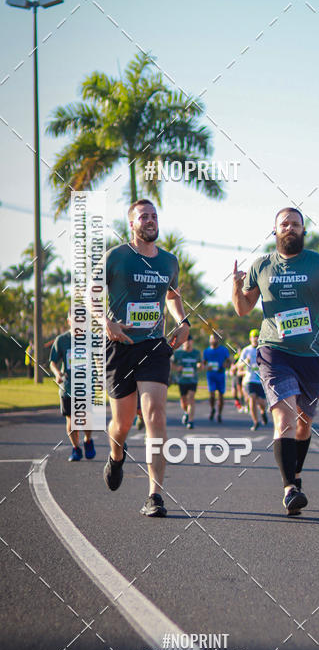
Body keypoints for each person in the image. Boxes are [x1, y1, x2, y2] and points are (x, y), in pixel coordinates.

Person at [232, 207, 319, 515]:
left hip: (313, 355)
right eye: (284, 224)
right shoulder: (262, 266)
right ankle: (290, 488)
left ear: (303, 231)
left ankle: (295, 474)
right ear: (275, 231)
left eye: (295, 224)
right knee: (284, 419)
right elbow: (244, 309)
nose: (290, 228)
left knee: (303, 423)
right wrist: (236, 286)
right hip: (275, 351)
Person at [100, 199, 190, 517]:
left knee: (155, 415)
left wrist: (182, 321)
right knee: (122, 423)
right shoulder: (116, 257)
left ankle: (155, 495)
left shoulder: (168, 261)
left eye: (154, 216)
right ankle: (117, 455)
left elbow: (172, 295)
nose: (150, 220)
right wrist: (105, 322)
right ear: (132, 224)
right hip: (120, 344)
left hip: (153, 345)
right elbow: (88, 294)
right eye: (144, 217)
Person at [49, 314, 96, 461]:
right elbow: (53, 362)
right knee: (71, 420)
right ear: (69, 320)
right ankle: (76, 448)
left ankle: (88, 440)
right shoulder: (62, 340)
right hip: (68, 387)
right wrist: (58, 374)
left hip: (87, 386)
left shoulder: (92, 338)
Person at [239, 329, 269, 430]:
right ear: (250, 338)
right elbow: (239, 365)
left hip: (260, 380)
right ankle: (255, 422)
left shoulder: (264, 349)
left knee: (261, 402)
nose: (255, 339)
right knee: (252, 398)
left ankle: (263, 412)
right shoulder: (246, 350)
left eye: (257, 336)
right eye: (254, 337)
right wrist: (245, 362)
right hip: (249, 379)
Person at [173, 334, 201, 428]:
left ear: (192, 342)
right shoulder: (178, 353)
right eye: (185, 341)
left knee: (191, 398)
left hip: (193, 380)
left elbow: (200, 363)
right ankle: (186, 412)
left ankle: (191, 420)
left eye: (189, 341)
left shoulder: (196, 353)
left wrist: (199, 365)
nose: (187, 343)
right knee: (184, 401)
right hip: (182, 380)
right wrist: (177, 368)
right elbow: (171, 363)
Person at [202, 333, 230, 422]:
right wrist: (206, 367)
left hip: (220, 375)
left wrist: (226, 365)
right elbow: (203, 363)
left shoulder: (224, 350)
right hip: (211, 375)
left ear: (218, 340)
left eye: (215, 339)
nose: (213, 340)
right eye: (212, 339)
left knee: (221, 395)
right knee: (212, 394)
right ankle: (212, 408)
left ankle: (219, 414)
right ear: (209, 340)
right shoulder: (206, 351)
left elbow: (229, 362)